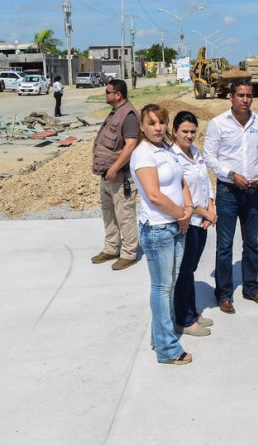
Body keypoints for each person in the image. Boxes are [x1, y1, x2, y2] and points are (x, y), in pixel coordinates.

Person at [130, 104, 194, 365]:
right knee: (161, 288)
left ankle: (161, 337)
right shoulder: (143, 154)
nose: (158, 128)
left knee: (169, 285)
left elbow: (181, 181)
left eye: (162, 123)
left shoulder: (166, 150)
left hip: (176, 225)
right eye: (152, 123)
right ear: (143, 127)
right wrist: (181, 213)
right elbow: (154, 195)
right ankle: (168, 349)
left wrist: (188, 209)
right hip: (158, 229)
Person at [204, 80, 258, 314]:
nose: (245, 99)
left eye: (249, 95)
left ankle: (251, 288)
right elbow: (210, 157)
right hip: (227, 192)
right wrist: (231, 175)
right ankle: (223, 293)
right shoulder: (218, 124)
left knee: (251, 243)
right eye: (241, 95)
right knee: (224, 245)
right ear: (230, 97)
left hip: (252, 191)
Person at [171, 111, 217, 337]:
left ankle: (192, 312)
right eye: (184, 132)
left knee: (191, 269)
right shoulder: (173, 157)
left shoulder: (196, 152)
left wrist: (212, 206)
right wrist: (204, 212)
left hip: (202, 221)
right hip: (187, 222)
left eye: (192, 131)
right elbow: (181, 192)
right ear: (174, 132)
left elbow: (206, 181)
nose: (189, 136)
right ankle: (183, 320)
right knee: (184, 271)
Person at [91, 79, 140, 270]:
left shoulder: (128, 115)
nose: (105, 95)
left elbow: (130, 145)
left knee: (124, 214)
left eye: (108, 92)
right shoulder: (115, 113)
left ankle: (129, 253)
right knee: (109, 214)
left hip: (120, 177)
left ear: (117, 95)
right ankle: (111, 248)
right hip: (107, 177)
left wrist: (113, 168)